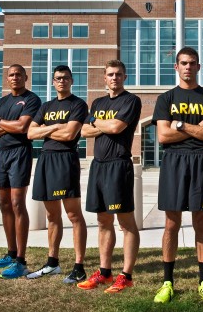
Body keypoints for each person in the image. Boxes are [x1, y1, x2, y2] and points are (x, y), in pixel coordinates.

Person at [151, 47, 203, 303]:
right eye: (183, 63)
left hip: (201, 161)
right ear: (176, 67)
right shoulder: (166, 98)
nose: (188, 67)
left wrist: (180, 124)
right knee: (171, 223)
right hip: (173, 161)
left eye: (192, 63)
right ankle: (167, 283)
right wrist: (196, 127)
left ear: (198, 67)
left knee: (201, 222)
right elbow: (163, 136)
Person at [79, 60, 142, 293]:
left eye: (118, 74)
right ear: (104, 78)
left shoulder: (131, 100)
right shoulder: (98, 102)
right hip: (98, 165)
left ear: (124, 77)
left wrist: (95, 122)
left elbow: (117, 128)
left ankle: (126, 275)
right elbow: (84, 131)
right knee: (103, 220)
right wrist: (101, 124)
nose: (114, 78)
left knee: (126, 223)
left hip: (118, 165)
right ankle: (104, 273)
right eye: (110, 74)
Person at [26, 65, 88, 283]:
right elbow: (31, 133)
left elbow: (71, 133)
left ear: (72, 81)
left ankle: (79, 266)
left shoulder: (78, 104)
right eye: (58, 78)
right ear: (53, 82)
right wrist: (54, 127)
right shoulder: (46, 106)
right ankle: (52, 263)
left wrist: (47, 128)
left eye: (66, 78)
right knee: (52, 216)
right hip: (45, 160)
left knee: (73, 215)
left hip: (65, 160)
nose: (62, 81)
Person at [0, 64, 41, 279]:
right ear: (7, 78)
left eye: (19, 74)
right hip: (1, 154)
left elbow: (22, 128)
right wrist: (7, 124)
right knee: (4, 203)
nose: (15, 77)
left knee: (18, 203)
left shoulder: (32, 99)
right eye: (11, 75)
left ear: (26, 76)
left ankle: (21, 260)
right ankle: (10, 253)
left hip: (20, 153)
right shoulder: (2, 102)